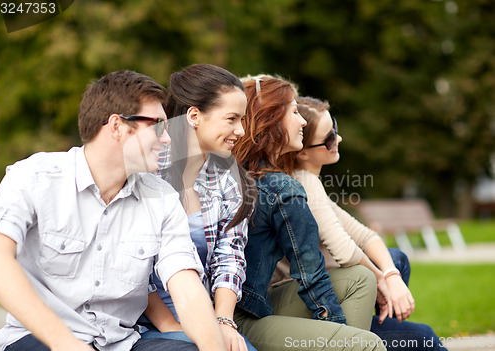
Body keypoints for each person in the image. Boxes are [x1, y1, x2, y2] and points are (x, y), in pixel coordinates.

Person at [0, 70, 227, 351]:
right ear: (116, 125)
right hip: (43, 340)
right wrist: (64, 343)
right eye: (157, 126)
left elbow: (186, 286)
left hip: (122, 343)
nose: (167, 139)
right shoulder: (34, 177)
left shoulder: (162, 197)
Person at [231, 75, 386, 351]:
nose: (302, 120)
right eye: (293, 112)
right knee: (368, 345)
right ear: (271, 120)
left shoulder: (253, 175)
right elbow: (311, 278)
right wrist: (343, 339)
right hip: (241, 316)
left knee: (362, 278)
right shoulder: (282, 188)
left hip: (254, 300)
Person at [283, 95, 447, 351]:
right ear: (302, 152)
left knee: (396, 260)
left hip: (333, 286)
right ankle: (384, 337)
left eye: (334, 129)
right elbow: (345, 251)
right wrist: (382, 279)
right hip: (306, 301)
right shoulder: (304, 183)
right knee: (425, 337)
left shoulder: (308, 180)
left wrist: (390, 276)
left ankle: (386, 331)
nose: (338, 139)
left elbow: (364, 235)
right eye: (328, 138)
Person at [136, 64, 257, 351]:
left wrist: (223, 322)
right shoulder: (147, 170)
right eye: (232, 119)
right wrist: (174, 328)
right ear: (194, 116)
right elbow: (135, 267)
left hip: (201, 313)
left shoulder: (229, 180)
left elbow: (230, 258)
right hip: (142, 321)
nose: (240, 131)